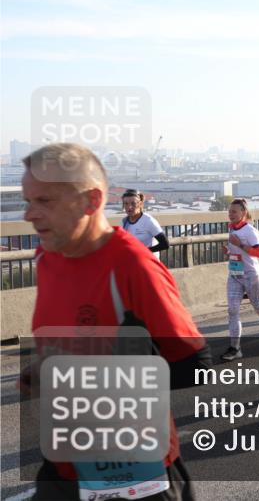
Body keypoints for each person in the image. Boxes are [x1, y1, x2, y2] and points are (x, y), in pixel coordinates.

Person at [23, 143, 211, 500]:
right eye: (28, 200)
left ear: (91, 201)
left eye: (44, 201)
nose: (30, 214)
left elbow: (196, 364)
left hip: (134, 472)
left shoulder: (132, 267)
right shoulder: (47, 256)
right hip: (64, 467)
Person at [220, 198, 259, 361]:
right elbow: (238, 252)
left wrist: (239, 244)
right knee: (232, 310)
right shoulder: (231, 227)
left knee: (258, 306)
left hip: (251, 275)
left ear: (243, 213)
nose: (230, 214)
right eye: (229, 211)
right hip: (235, 275)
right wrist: (229, 252)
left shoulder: (250, 230)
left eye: (234, 211)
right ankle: (235, 348)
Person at [121, 189, 169, 254]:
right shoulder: (124, 222)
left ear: (140, 204)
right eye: (126, 204)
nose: (129, 207)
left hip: (148, 262)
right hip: (133, 262)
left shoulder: (148, 221)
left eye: (133, 203)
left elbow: (165, 244)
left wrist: (143, 252)